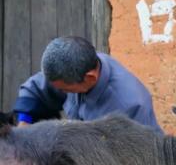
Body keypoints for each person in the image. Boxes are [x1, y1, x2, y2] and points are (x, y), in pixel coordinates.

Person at [13, 36, 162, 133]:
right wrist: (24, 125)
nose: (58, 91)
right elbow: (34, 89)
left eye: (64, 89)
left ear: (90, 78)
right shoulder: (69, 66)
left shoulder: (129, 106)